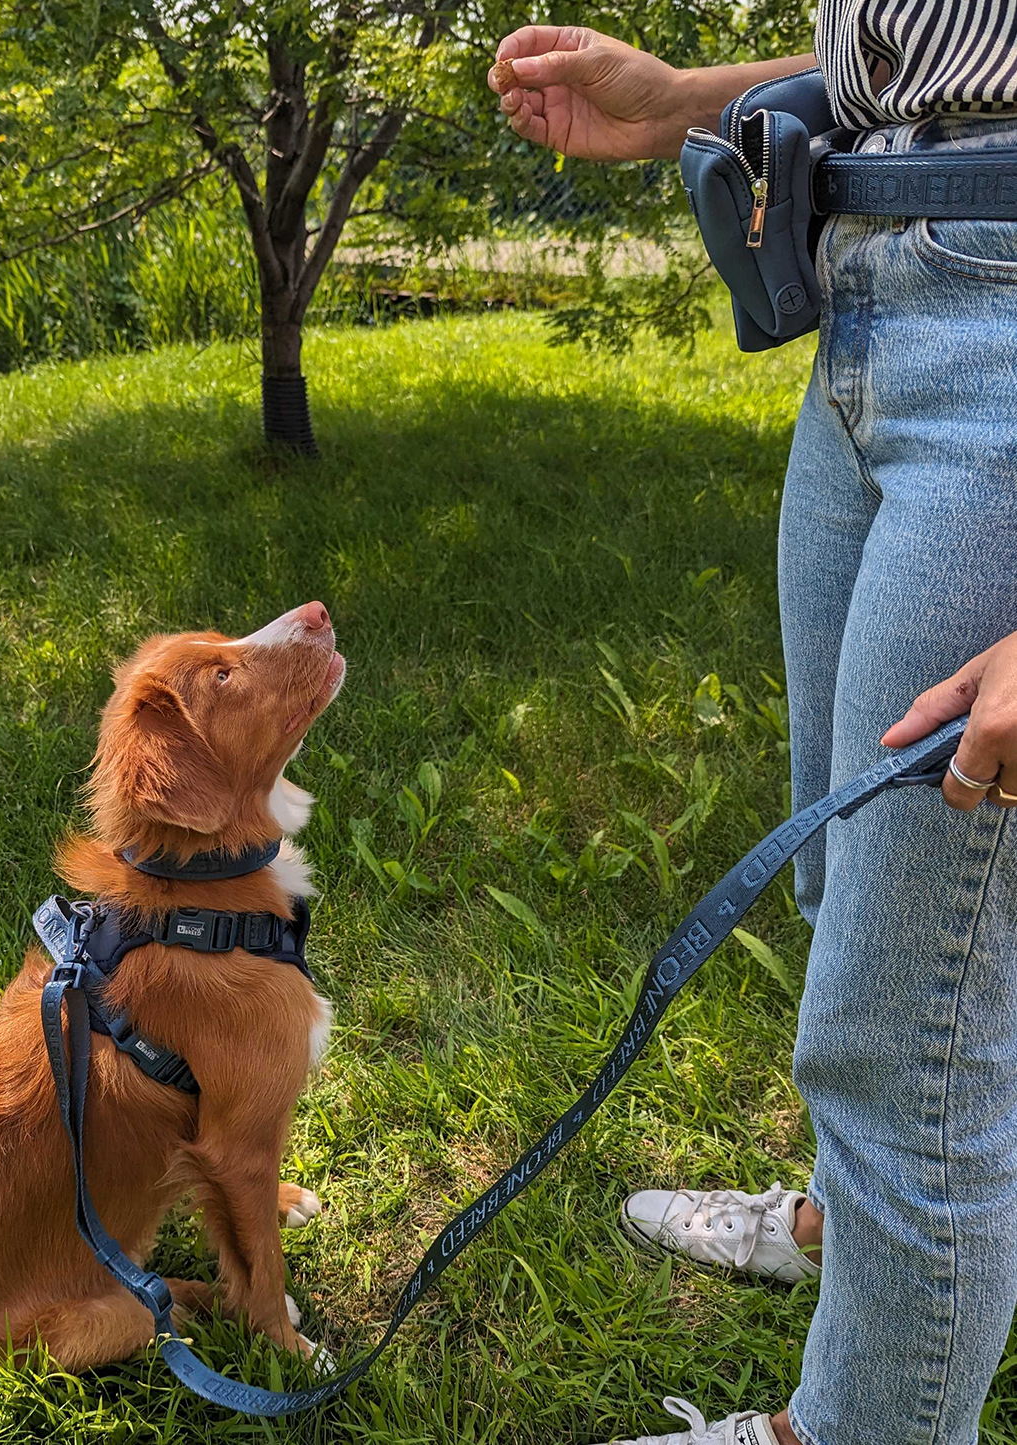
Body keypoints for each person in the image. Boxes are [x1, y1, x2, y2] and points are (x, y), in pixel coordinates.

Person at [490, 12, 1017, 1445]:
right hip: (870, 302)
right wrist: (676, 106)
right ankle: (862, 1240)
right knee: (855, 890)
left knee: (911, 1024)